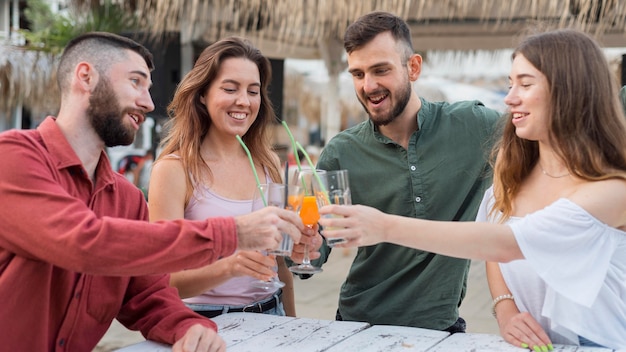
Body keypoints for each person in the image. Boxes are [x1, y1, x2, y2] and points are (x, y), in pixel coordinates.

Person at [319, 28, 626, 350]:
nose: (509, 98)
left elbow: (505, 244)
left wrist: (382, 226)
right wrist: (505, 309)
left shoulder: (613, 189)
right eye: (510, 85)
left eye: (525, 84)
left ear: (571, 90)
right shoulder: (515, 175)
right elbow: (494, 239)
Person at [0, 32, 305, 352]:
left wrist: (189, 325)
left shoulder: (127, 199)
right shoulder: (13, 158)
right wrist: (233, 233)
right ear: (86, 77)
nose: (148, 102)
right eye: (136, 82)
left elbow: (147, 295)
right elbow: (85, 242)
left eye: (148, 87)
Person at [310, 11, 501, 332]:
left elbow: (546, 138)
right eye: (357, 74)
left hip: (441, 326)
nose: (368, 85)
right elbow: (314, 250)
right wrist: (302, 248)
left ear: (413, 67)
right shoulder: (341, 151)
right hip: (356, 326)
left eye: (380, 70)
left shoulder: (475, 126)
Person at [149, 37, 307, 319]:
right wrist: (230, 266)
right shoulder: (174, 169)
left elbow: (280, 267)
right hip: (207, 322)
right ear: (202, 94)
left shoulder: (268, 163)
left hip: (273, 315)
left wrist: (293, 325)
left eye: (253, 91)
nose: (244, 101)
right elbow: (161, 281)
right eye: (230, 89)